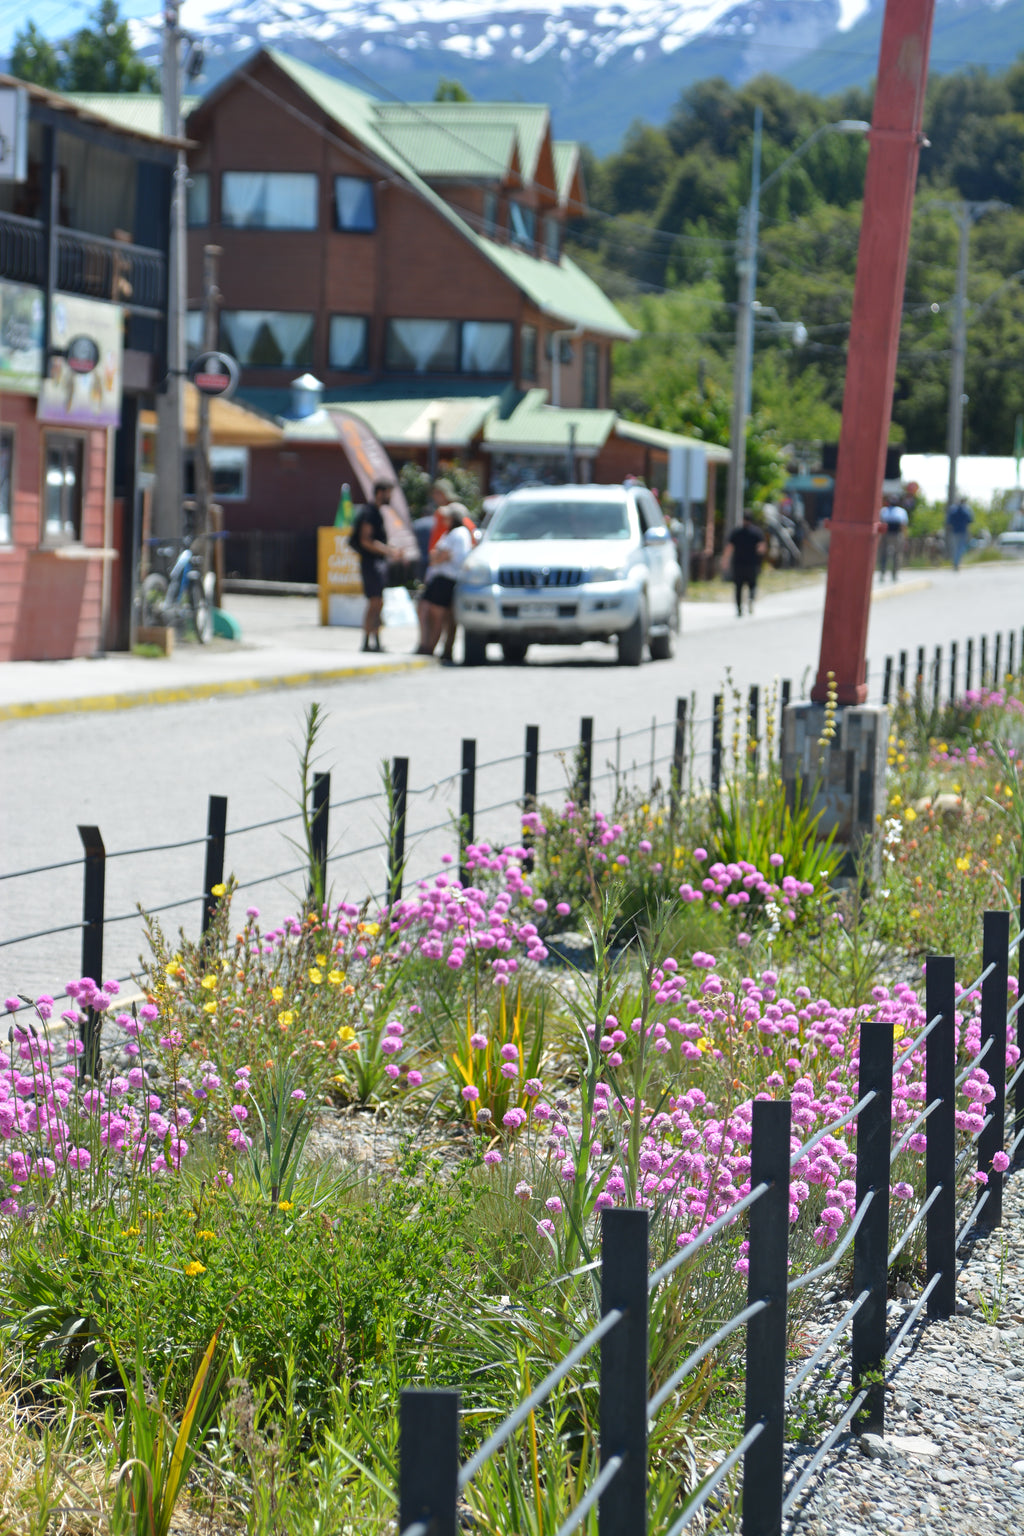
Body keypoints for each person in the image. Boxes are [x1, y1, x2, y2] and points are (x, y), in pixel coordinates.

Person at [352, 480, 400, 653]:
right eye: (388, 492)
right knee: (374, 602)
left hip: (376, 563)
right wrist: (388, 551)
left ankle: (375, 641)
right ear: (380, 493)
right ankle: (367, 642)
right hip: (371, 563)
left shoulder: (376, 512)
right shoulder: (370, 512)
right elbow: (366, 540)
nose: (390, 497)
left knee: (378, 602)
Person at [420, 503, 473, 662]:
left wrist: (437, 556)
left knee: (437, 615)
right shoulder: (454, 533)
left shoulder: (457, 533)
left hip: (445, 579)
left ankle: (430, 648)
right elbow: (436, 556)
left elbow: (442, 556)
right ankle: (443, 649)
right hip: (445, 578)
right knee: (445, 617)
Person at [722, 509, 767, 617]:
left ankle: (739, 609)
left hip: (738, 564)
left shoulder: (737, 532)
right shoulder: (757, 532)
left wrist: (725, 560)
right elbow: (762, 548)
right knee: (752, 585)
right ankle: (751, 600)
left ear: (742, 519)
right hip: (752, 564)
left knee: (738, 587)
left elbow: (729, 548)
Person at [877, 495, 908, 581]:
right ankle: (882, 573)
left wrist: (904, 538)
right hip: (885, 534)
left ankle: (894, 574)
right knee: (884, 554)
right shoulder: (884, 510)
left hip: (897, 534)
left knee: (897, 555)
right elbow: (880, 523)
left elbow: (903, 526)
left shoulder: (901, 511)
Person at [947, 494, 974, 572]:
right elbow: (970, 521)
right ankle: (957, 563)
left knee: (955, 548)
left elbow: (949, 522)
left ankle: (955, 563)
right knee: (960, 548)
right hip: (962, 531)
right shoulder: (966, 510)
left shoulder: (953, 509)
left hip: (954, 531)